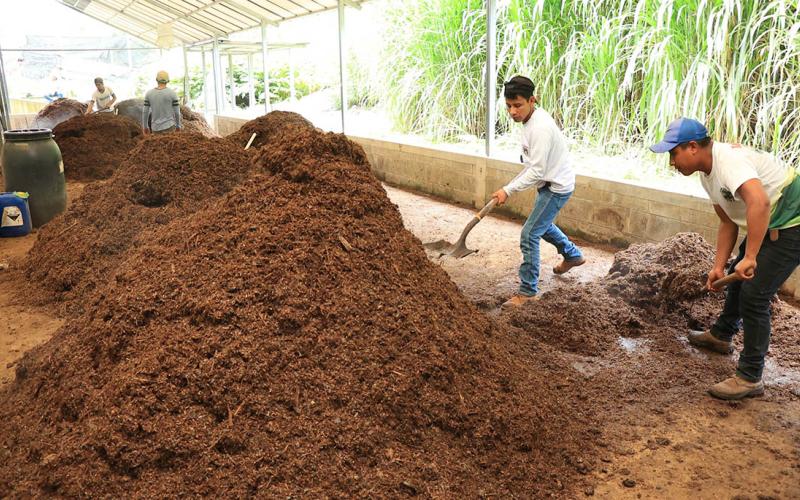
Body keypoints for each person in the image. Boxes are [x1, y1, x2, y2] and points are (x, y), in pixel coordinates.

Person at [650, 117, 800, 400]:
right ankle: (721, 335)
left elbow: (760, 202)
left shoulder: (728, 162)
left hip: (793, 221)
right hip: (772, 220)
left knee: (754, 296)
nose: (672, 162)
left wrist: (751, 256)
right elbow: (728, 222)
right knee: (736, 276)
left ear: (692, 147)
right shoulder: (707, 175)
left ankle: (750, 377)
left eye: (673, 153)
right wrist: (718, 267)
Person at [492, 76, 585, 308]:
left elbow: (536, 171)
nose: (512, 112)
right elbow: (531, 166)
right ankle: (572, 255)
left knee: (529, 234)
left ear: (532, 100)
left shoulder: (540, 128)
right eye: (508, 106)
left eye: (518, 105)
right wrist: (507, 188)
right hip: (549, 183)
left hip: (556, 187)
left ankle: (528, 292)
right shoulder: (529, 121)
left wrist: (508, 190)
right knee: (541, 226)